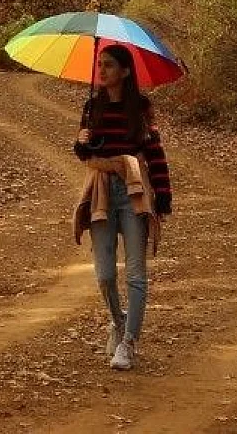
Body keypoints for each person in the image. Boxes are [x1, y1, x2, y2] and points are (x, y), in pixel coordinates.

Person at [74, 44, 172, 370]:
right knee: (104, 274)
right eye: (100, 64)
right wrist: (81, 142)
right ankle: (118, 321)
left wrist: (163, 194)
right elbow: (86, 155)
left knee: (136, 273)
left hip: (133, 191)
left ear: (125, 71)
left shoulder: (140, 108)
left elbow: (155, 153)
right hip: (101, 191)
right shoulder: (92, 106)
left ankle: (128, 343)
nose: (102, 71)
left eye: (109, 65)